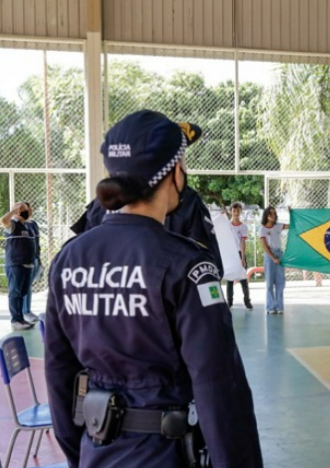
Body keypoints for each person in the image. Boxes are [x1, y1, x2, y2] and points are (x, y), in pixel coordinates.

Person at [44, 110, 263, 468]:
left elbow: (58, 372)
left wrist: (79, 450)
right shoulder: (187, 266)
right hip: (164, 454)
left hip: (96, 450)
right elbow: (218, 387)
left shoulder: (69, 259)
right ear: (175, 172)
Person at [71, 186, 222, 271]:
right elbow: (210, 267)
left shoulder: (102, 202)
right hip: (165, 312)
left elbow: (81, 265)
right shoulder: (185, 200)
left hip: (107, 312)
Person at [1, 202, 38, 330]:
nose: (27, 211)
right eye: (24, 209)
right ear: (17, 211)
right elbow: (3, 220)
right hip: (16, 264)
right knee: (15, 293)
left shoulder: (27, 226)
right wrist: (13, 212)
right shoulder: (12, 224)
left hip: (28, 265)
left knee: (22, 293)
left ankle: (21, 319)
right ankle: (15, 320)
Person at [259, 206, 288, 314]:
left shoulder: (277, 226)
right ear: (266, 215)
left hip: (279, 254)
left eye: (274, 213)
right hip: (270, 256)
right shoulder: (262, 229)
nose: (272, 215)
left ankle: (280, 306)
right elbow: (265, 246)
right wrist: (273, 258)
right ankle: (271, 307)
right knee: (270, 283)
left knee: (280, 282)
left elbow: (290, 226)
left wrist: (292, 213)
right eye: (270, 213)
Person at [227, 202, 253, 311]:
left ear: (240, 212)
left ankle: (247, 301)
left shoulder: (243, 227)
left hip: (239, 253)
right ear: (230, 212)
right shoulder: (226, 225)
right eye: (234, 211)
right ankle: (229, 302)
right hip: (229, 254)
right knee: (229, 280)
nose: (236, 213)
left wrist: (242, 258)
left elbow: (243, 242)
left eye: (238, 211)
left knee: (243, 279)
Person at [21, 202, 42, 322]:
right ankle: (23, 312)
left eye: (30, 208)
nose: (30, 211)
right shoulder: (17, 223)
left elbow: (37, 242)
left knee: (28, 286)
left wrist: (38, 259)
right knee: (23, 287)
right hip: (22, 260)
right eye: (27, 209)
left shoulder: (33, 224)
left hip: (33, 258)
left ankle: (27, 310)